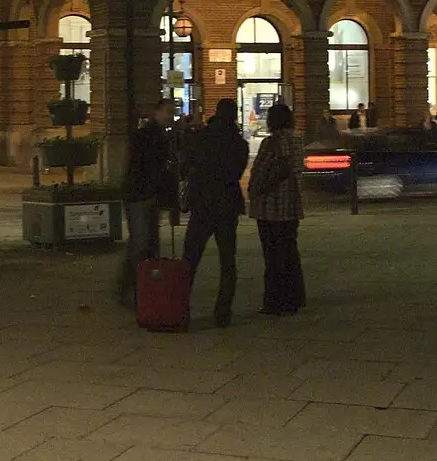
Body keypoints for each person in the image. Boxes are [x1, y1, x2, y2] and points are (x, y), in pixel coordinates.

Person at [181, 98, 249, 327]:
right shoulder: (239, 143)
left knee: (190, 259)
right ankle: (223, 312)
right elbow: (237, 173)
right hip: (227, 205)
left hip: (202, 204)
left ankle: (180, 307)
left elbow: (186, 165)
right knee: (228, 261)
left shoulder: (201, 137)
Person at [115, 98, 179, 307]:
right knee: (141, 242)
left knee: (148, 243)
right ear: (157, 112)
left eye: (173, 112)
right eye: (167, 112)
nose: (170, 116)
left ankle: (144, 286)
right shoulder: (148, 135)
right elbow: (146, 168)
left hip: (149, 195)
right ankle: (129, 287)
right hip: (140, 195)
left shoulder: (163, 136)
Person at [248, 102, 305, 316]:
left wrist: (253, 191)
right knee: (290, 252)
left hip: (270, 208)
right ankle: (295, 297)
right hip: (291, 206)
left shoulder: (270, 143)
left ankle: (275, 301)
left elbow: (260, 172)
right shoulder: (297, 142)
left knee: (272, 256)